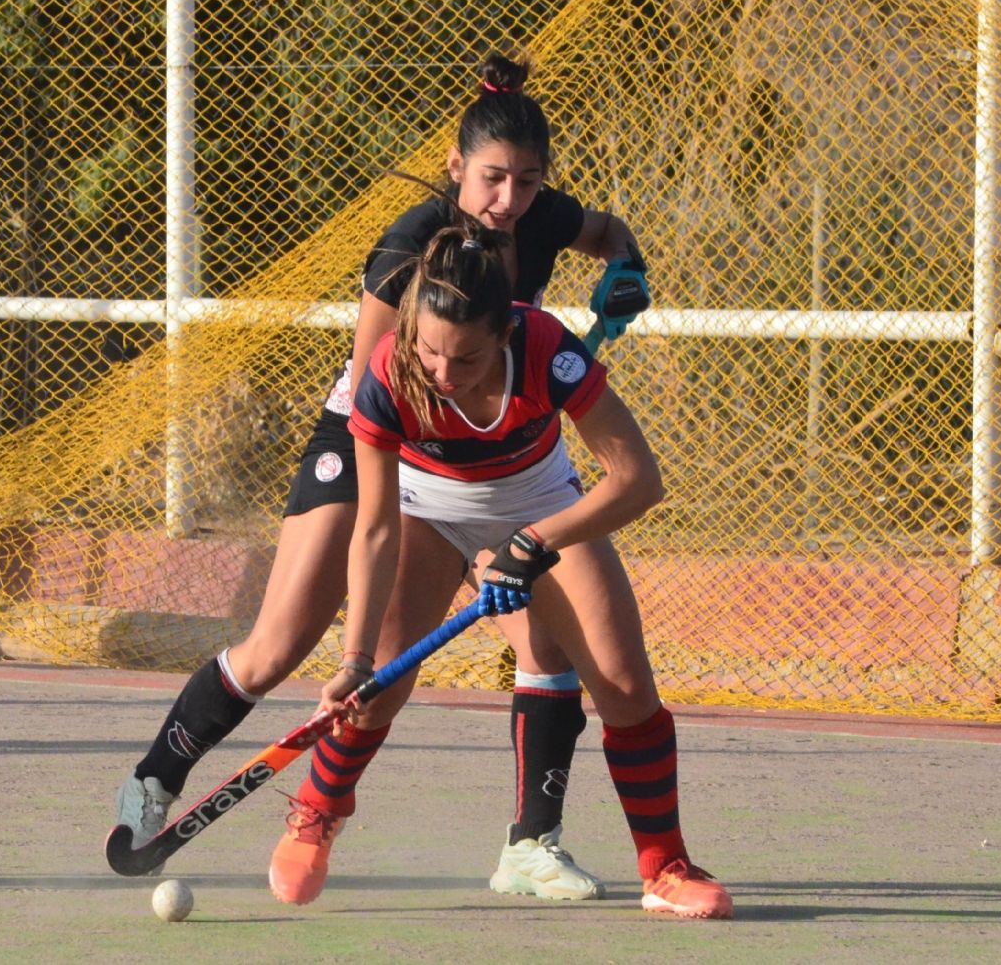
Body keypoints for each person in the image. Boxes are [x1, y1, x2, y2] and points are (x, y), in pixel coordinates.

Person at [111, 53, 651, 902]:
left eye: (526, 182)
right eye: (492, 178)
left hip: (482, 443)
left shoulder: (543, 216)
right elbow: (379, 386)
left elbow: (608, 232)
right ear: (455, 166)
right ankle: (153, 783)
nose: (508, 199)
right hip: (383, 433)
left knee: (547, 645)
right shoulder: (409, 245)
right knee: (280, 644)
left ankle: (531, 845)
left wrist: (627, 270)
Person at [269, 218, 733, 920]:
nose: (443, 374)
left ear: (505, 334)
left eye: (466, 359)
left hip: (539, 502)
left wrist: (535, 540)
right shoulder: (388, 371)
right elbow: (376, 528)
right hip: (425, 507)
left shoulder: (547, 348)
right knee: (379, 687)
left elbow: (639, 480)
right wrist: (354, 659)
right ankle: (318, 808)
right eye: (430, 351)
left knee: (624, 684)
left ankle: (664, 867)